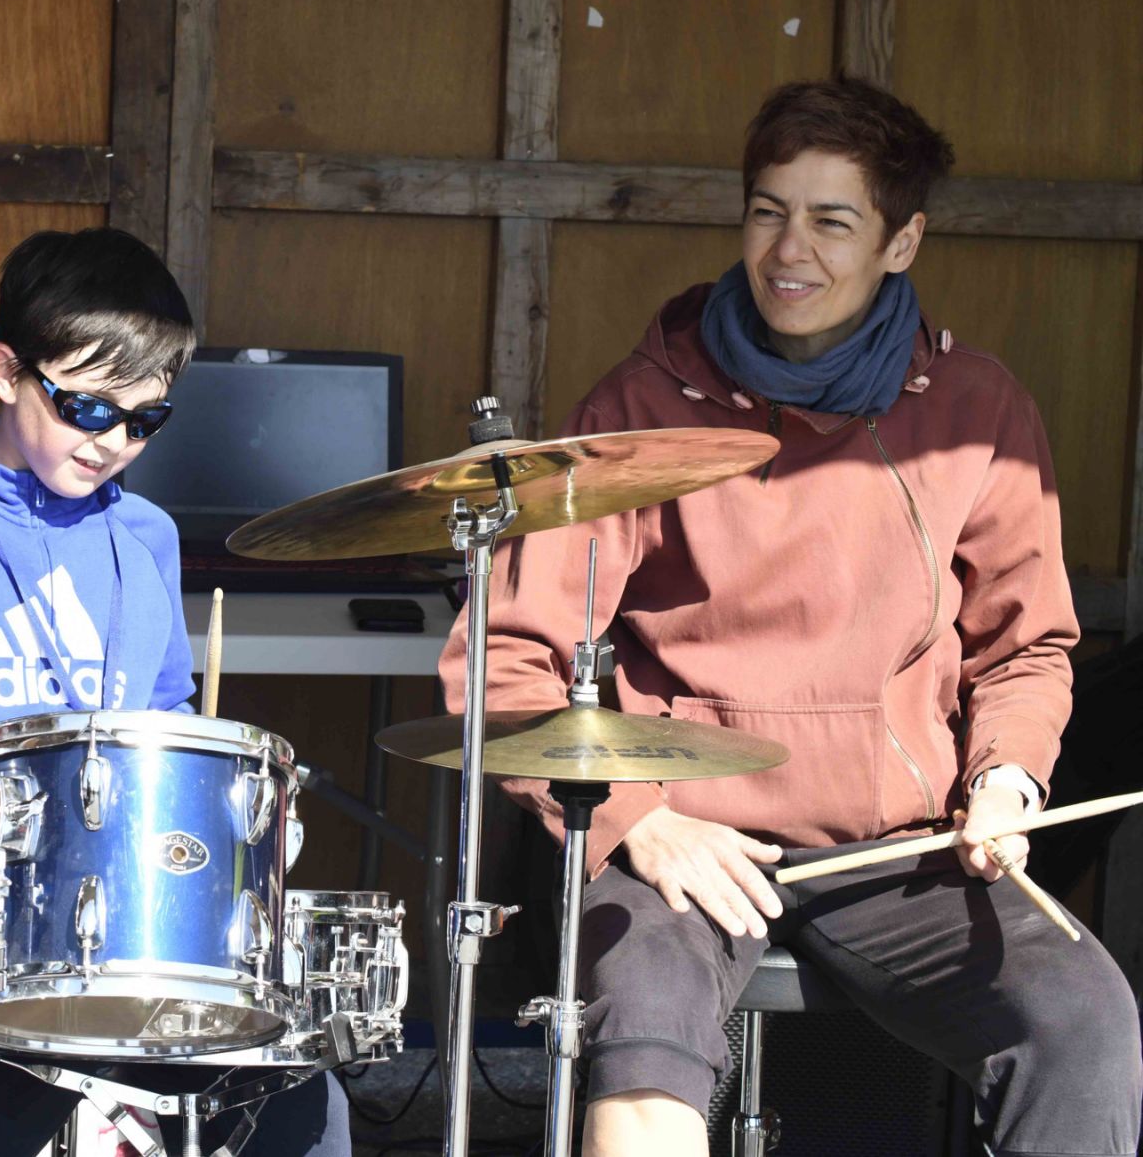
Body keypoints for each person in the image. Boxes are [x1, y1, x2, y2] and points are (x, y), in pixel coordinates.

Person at [440, 77, 1142, 1156]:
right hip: (686, 844)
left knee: (1082, 1021)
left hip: (898, 850)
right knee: (641, 1056)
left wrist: (1006, 778)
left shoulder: (976, 409)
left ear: (901, 241)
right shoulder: (642, 406)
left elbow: (1025, 646)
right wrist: (638, 820)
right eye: (768, 211)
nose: (788, 250)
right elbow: (506, 658)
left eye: (831, 221)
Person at [0, 226, 349, 1157]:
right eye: (86, 407)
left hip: (115, 950)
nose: (113, 441)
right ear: (7, 372)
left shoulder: (147, 538)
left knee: (301, 1103)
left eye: (145, 421)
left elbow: (165, 718)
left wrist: (235, 811)